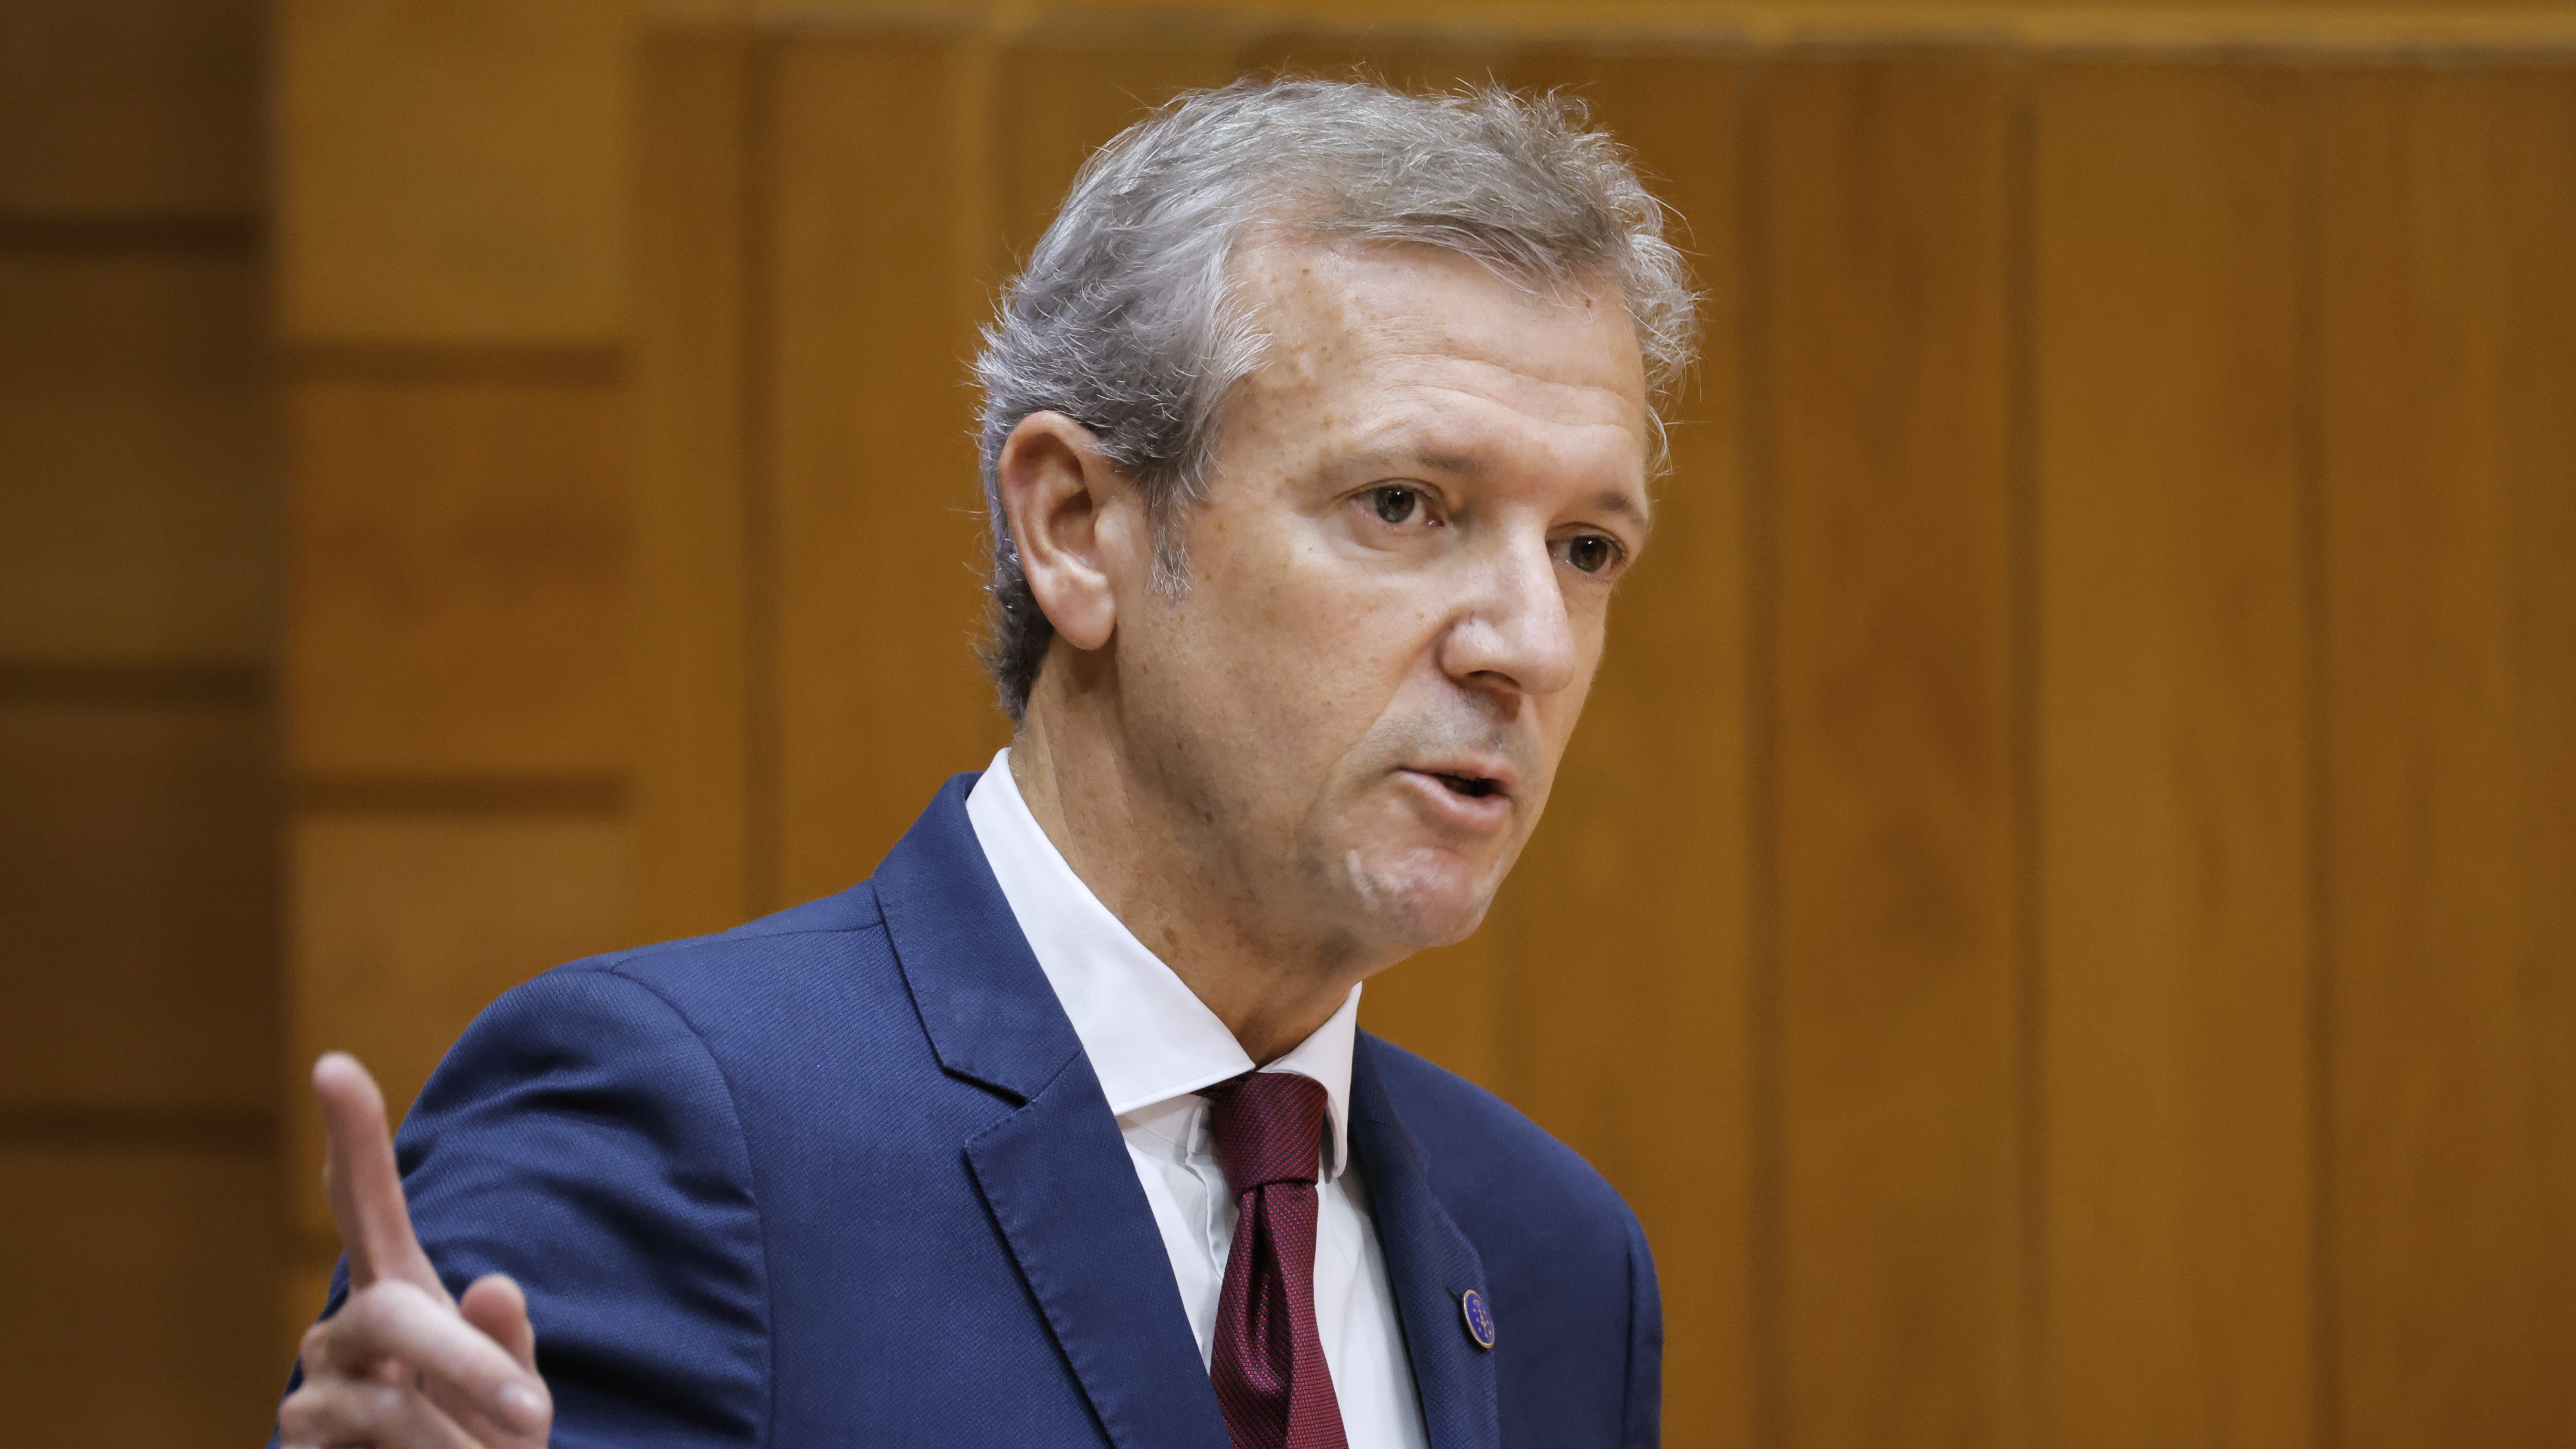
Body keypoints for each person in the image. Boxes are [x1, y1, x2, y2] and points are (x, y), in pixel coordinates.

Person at [274, 76, 1697, 1449]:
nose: (1532, 643)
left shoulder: (1555, 1260)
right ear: (1078, 528)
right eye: (1405, 504)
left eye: (1587, 549)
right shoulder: (677, 1137)